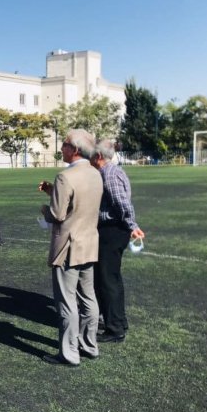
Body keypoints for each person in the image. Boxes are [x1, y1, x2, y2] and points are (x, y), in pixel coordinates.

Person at [38, 129, 103, 366]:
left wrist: (44, 208)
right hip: (89, 243)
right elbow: (79, 203)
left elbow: (57, 213)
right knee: (88, 297)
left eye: (64, 144)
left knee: (66, 301)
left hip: (68, 246)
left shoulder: (64, 177)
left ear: (74, 149)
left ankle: (69, 353)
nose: (61, 148)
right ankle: (89, 345)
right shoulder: (96, 173)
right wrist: (52, 192)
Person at [90, 139, 145, 343]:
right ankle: (119, 321)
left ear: (98, 157)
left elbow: (122, 203)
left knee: (107, 279)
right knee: (111, 278)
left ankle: (114, 329)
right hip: (113, 230)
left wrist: (132, 225)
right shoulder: (111, 172)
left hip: (112, 231)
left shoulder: (109, 174)